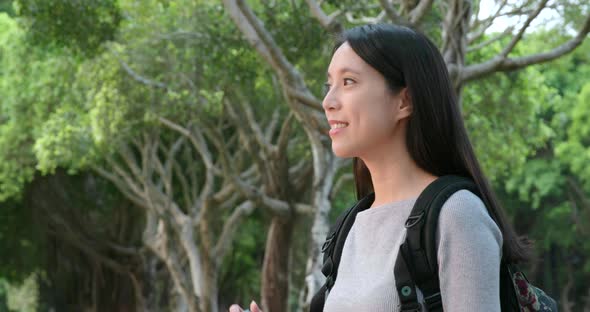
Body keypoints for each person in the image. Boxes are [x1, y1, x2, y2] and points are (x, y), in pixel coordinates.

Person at [230, 23, 529, 312]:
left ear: (404, 101)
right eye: (328, 85)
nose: (327, 101)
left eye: (348, 82)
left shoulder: (458, 214)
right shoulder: (351, 226)